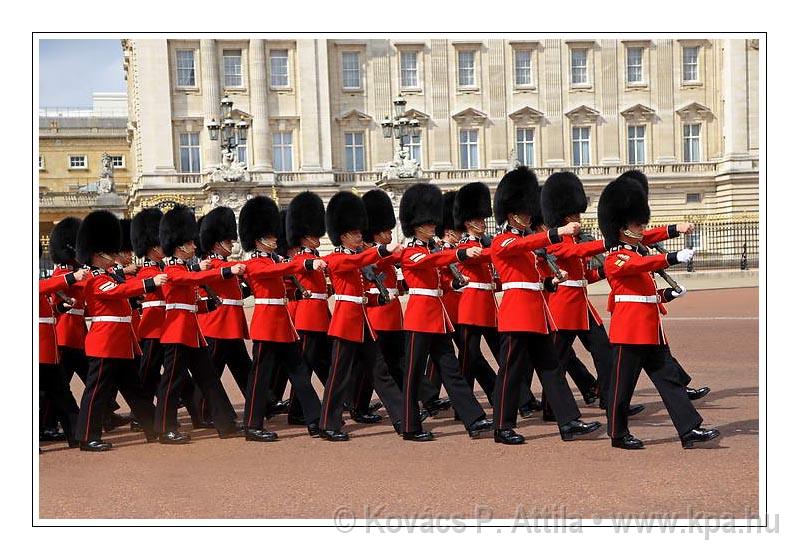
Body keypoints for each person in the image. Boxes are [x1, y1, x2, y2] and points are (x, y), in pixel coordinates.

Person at [598, 177, 719, 450]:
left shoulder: (634, 254)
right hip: (629, 332)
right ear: (621, 227)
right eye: (637, 224)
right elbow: (638, 266)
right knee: (621, 389)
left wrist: (667, 295)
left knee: (670, 382)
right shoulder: (615, 258)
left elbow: (645, 294)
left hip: (650, 330)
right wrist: (672, 258)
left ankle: (689, 430)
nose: (641, 228)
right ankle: (618, 434)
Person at [489, 167, 601, 445]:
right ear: (510, 213)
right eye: (523, 212)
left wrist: (550, 282)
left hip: (537, 314)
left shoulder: (525, 243)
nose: (528, 216)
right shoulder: (503, 240)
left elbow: (534, 275)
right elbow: (523, 247)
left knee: (551, 368)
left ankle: (568, 421)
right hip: (516, 315)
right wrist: (557, 232)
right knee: (511, 372)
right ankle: (502, 426)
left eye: (529, 211)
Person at [398, 183, 493, 442]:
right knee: (413, 375)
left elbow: (439, 280)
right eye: (427, 224)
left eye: (432, 223)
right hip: (419, 320)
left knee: (451, 371)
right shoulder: (411, 253)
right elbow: (431, 262)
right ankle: (410, 426)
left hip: (437, 319)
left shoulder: (433, 250)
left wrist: (454, 283)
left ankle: (473, 419)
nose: (432, 227)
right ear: (416, 226)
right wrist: (459, 253)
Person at [318, 191, 406, 441]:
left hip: (362, 322)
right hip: (346, 322)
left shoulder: (355, 257)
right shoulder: (336, 259)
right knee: (339, 375)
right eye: (356, 233)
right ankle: (328, 423)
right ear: (344, 235)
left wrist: (380, 298)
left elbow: (362, 285)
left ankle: (403, 418)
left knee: (380, 372)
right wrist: (382, 250)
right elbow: (358, 263)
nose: (360, 237)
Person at [617, 169, 710, 402]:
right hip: (628, 308)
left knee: (657, 352)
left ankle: (678, 389)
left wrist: (674, 229)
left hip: (644, 307)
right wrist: (673, 256)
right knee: (616, 363)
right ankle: (609, 400)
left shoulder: (633, 236)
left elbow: (646, 237)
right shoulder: (613, 244)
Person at [73, 210, 163, 451]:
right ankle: (87, 437)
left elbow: (124, 287)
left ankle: (154, 428)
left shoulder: (109, 274)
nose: (114, 257)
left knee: (135, 390)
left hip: (120, 342)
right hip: (106, 342)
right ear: (97, 254)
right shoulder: (95, 278)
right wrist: (149, 283)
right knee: (97, 392)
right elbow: (117, 292)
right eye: (109, 253)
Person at [238, 195, 326, 441]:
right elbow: (276, 271)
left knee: (299, 373)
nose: (276, 238)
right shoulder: (255, 263)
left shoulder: (272, 259)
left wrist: (297, 289)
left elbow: (283, 282)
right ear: (258, 239)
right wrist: (305, 266)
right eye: (271, 236)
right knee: (260, 377)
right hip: (267, 324)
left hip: (283, 323)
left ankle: (315, 419)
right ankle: (252, 425)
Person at [154, 205, 244, 444]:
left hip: (192, 330)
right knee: (172, 382)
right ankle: (165, 428)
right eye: (190, 243)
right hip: (177, 331)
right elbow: (191, 278)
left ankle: (225, 423)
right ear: (179, 244)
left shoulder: (184, 267)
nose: (195, 246)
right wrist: (225, 272)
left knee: (209, 378)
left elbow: (194, 290)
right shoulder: (171, 268)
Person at [194, 206, 253, 423]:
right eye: (228, 242)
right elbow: (216, 273)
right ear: (217, 243)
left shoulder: (226, 264)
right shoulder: (212, 264)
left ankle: (263, 402)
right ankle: (200, 412)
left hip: (230, 323)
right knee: (211, 372)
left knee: (243, 367)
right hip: (217, 323)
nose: (232, 245)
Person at [285, 192, 334, 424]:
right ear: (303, 237)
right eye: (313, 235)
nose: (317, 237)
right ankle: (297, 411)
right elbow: (297, 266)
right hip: (307, 316)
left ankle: (338, 401)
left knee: (325, 363)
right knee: (304, 366)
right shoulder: (302, 257)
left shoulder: (316, 256)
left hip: (322, 314)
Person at [39, 250, 86, 450]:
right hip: (38, 347)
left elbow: (47, 312)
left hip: (48, 348)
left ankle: (76, 435)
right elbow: (44, 286)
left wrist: (61, 308)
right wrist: (71, 277)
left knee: (62, 393)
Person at [130, 208, 167, 414]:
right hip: (153, 328)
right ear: (153, 247)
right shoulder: (147, 272)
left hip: (166, 328)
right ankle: (141, 416)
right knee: (148, 374)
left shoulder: (160, 269)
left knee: (162, 374)